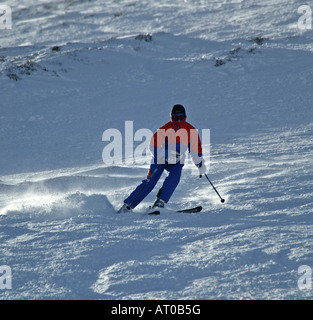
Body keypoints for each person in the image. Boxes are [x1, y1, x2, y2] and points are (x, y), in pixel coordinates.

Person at [118, 104, 206, 213]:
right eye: (176, 117)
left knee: (175, 177)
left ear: (185, 117)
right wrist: (161, 155)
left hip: (177, 161)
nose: (178, 120)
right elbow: (153, 144)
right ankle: (128, 205)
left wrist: (199, 164)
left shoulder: (191, 130)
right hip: (160, 159)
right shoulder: (165, 129)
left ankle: (160, 201)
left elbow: (195, 149)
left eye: (181, 117)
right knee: (151, 181)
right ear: (171, 117)